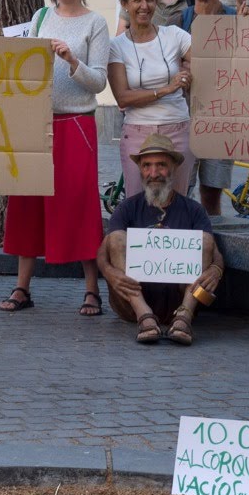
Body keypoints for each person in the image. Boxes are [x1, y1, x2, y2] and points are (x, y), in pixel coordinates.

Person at [0, 0, 111, 317]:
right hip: (39, 122)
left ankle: (92, 289)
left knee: (79, 204)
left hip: (77, 124)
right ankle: (22, 287)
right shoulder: (41, 16)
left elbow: (98, 81)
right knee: (28, 202)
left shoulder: (95, 23)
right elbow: (26, 67)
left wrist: (70, 60)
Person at [96, 136, 223, 345]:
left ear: (173, 168)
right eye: (147, 166)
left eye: (161, 165)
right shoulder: (127, 208)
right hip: (131, 301)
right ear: (140, 169)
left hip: (181, 297)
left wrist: (216, 270)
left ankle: (184, 317)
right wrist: (110, 273)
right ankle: (144, 315)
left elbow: (214, 250)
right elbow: (104, 249)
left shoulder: (193, 209)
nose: (153, 173)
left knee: (205, 241)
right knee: (117, 238)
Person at [108, 0, 194, 199]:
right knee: (138, 203)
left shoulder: (174, 35)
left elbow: (208, 62)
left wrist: (189, 69)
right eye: (137, 0)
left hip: (178, 128)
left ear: (157, 2)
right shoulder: (117, 46)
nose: (144, 6)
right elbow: (123, 98)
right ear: (124, 4)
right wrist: (166, 89)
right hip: (138, 132)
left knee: (179, 203)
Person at [179, 0, 249, 215]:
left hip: (220, 117)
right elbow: (164, 63)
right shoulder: (179, 20)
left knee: (211, 195)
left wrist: (246, 14)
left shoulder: (236, 17)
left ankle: (211, 245)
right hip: (183, 116)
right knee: (179, 190)